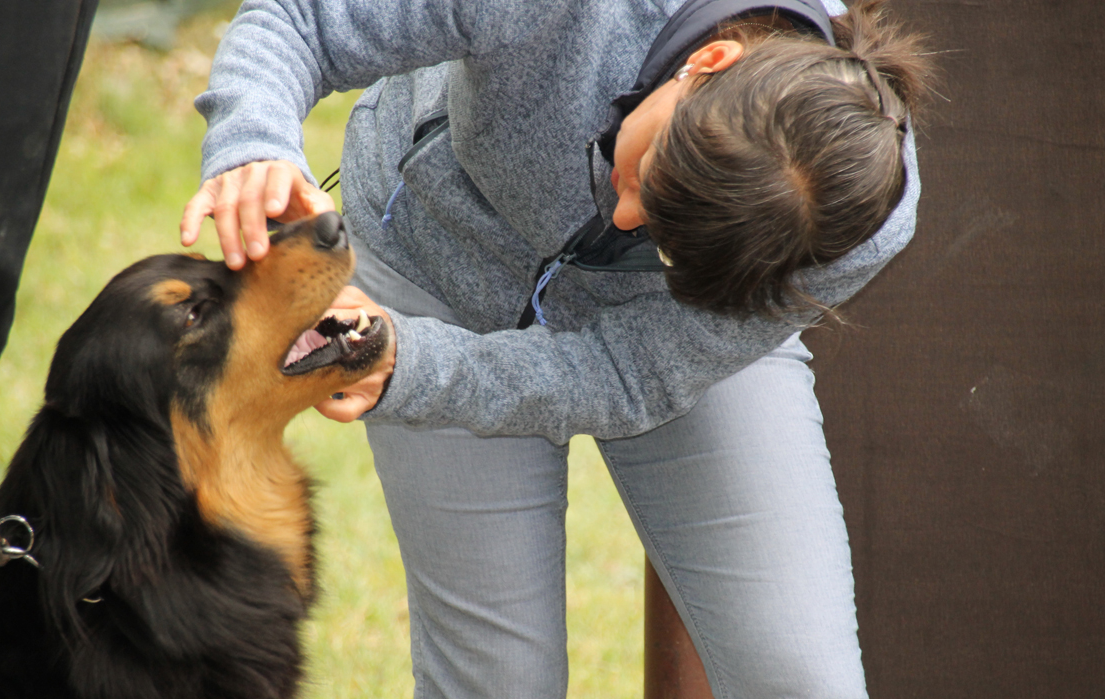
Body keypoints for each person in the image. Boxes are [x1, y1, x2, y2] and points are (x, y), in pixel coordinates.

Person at [181, 0, 931, 696]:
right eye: (644, 176)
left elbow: (624, 373)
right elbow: (304, 19)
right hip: (436, 261)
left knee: (798, 671)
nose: (625, 213)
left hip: (665, 334)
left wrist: (424, 370)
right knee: (498, 682)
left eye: (664, 238)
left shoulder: (848, 219)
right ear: (707, 64)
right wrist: (253, 142)